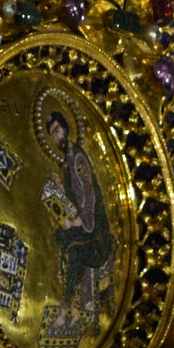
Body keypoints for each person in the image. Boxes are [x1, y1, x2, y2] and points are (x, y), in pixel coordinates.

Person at [43, 111, 113, 327]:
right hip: (81, 219)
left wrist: (78, 221)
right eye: (52, 134)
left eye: (57, 130)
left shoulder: (78, 157)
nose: (56, 137)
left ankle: (67, 309)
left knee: (73, 249)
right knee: (65, 243)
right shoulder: (68, 158)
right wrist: (60, 187)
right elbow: (74, 193)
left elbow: (90, 193)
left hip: (94, 225)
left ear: (65, 127)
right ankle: (68, 309)